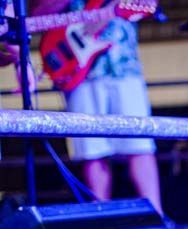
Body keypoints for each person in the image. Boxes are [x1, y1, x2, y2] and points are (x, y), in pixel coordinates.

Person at [30, 0, 163, 215]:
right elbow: (37, 13)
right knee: (92, 153)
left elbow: (148, 4)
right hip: (77, 70)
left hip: (124, 67)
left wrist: (108, 14)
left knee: (140, 146)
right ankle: (99, 220)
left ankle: (158, 218)